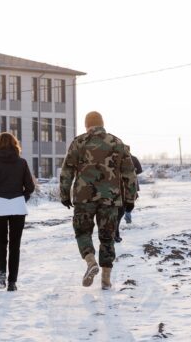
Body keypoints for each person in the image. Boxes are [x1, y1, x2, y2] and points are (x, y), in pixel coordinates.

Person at [58, 111, 138, 290]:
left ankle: (90, 261)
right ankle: (106, 279)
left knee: (82, 233)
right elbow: (129, 174)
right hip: (110, 199)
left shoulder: (79, 143)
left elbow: (67, 171)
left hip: (83, 198)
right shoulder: (117, 143)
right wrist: (130, 199)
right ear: (102, 123)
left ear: (86, 125)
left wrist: (64, 194)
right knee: (107, 238)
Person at [0, 132, 35, 291]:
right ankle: (12, 282)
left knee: (1, 242)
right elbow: (30, 187)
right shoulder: (22, 163)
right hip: (18, 205)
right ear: (15, 144)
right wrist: (22, 198)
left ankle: (1, 273)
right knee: (15, 244)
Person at [115, 155, 143, 242]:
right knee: (121, 211)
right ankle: (116, 233)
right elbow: (139, 171)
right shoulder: (133, 158)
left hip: (117, 188)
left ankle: (126, 217)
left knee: (120, 212)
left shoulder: (114, 157)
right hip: (128, 188)